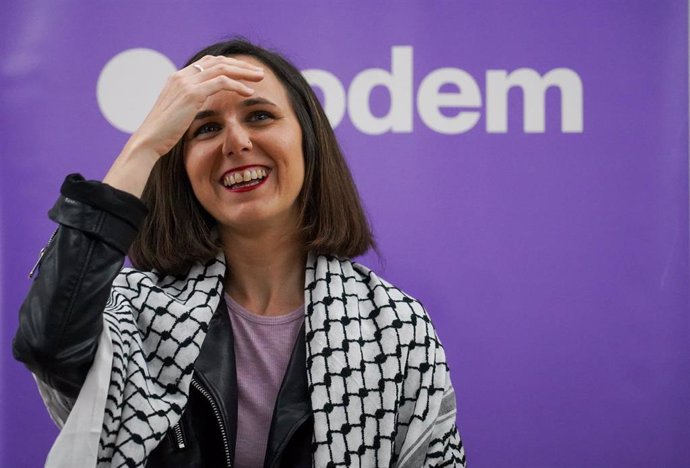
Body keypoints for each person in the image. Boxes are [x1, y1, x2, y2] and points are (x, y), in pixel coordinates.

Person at [13, 38, 467, 468]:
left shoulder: (395, 327)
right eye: (206, 128)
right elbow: (47, 343)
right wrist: (144, 144)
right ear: (181, 162)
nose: (236, 142)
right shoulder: (131, 310)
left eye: (260, 116)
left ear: (307, 142)